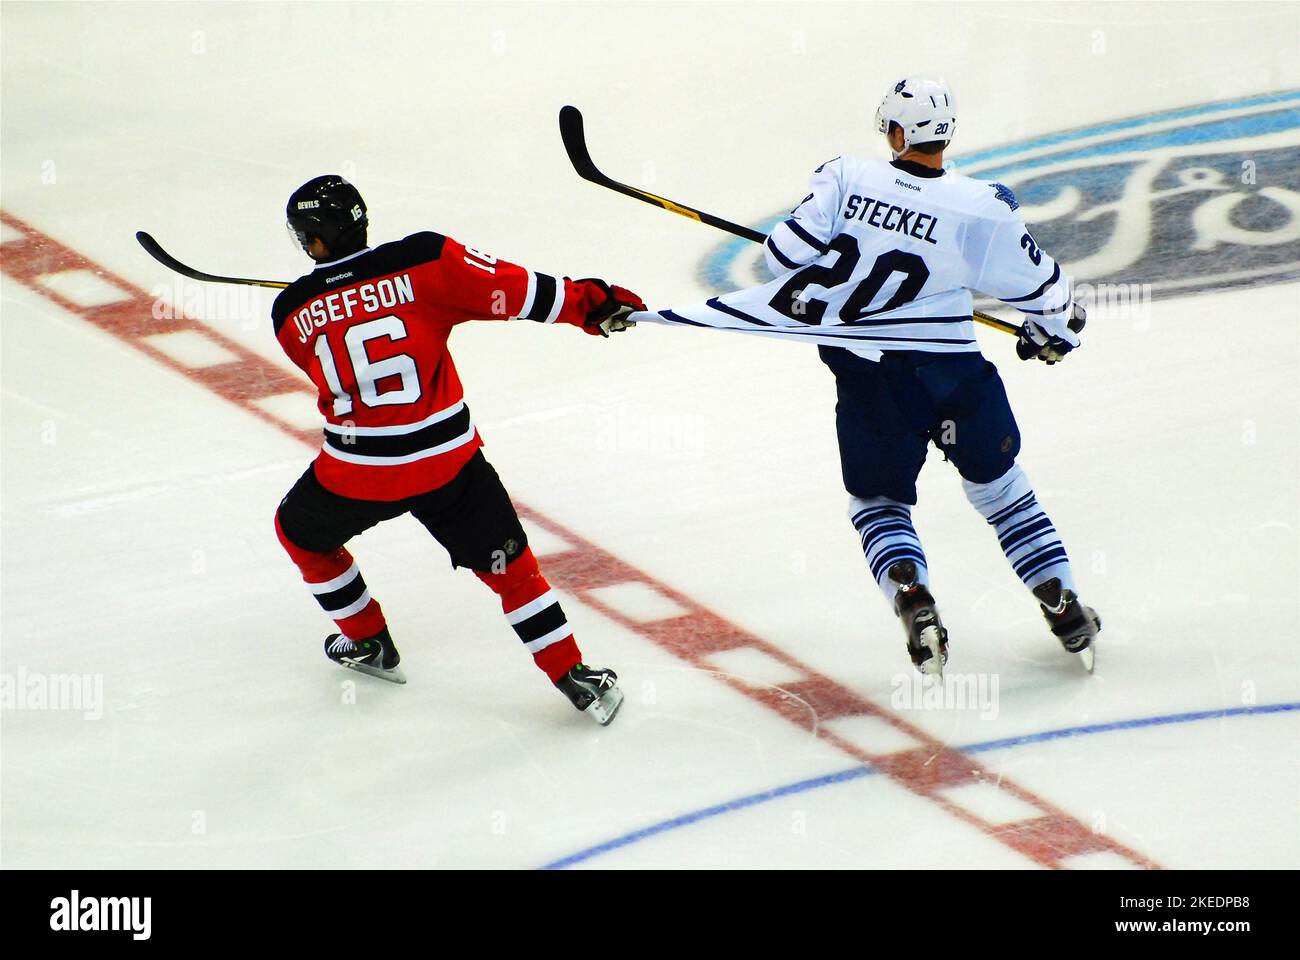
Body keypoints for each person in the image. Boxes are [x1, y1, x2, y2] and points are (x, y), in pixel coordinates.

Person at [635, 77, 1099, 675]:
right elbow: (1049, 296)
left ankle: (913, 595)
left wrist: (839, 246)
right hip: (951, 376)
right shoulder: (982, 207)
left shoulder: (846, 177)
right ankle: (1058, 597)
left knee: (879, 503)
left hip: (870, 383)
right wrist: (1050, 334)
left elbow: (781, 259)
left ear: (899, 132)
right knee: (1001, 490)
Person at [272, 175, 641, 723]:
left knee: (298, 532)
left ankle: (370, 643)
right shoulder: (426, 261)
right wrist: (592, 304)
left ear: (313, 242)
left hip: (360, 472)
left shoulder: (289, 312)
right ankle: (576, 677)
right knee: (512, 571)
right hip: (448, 465)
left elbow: (347, 334)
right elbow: (519, 292)